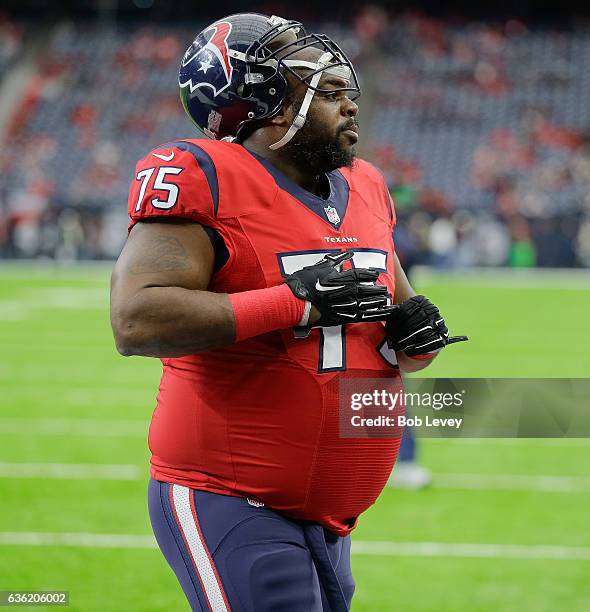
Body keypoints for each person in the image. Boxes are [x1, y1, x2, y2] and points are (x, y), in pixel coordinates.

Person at [110, 13, 466, 611]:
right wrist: (296, 302)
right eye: (326, 93)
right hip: (230, 492)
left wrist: (418, 338)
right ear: (268, 106)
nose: (350, 105)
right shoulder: (207, 175)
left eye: (345, 90)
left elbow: (396, 334)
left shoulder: (367, 185)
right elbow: (136, 320)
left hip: (330, 516)